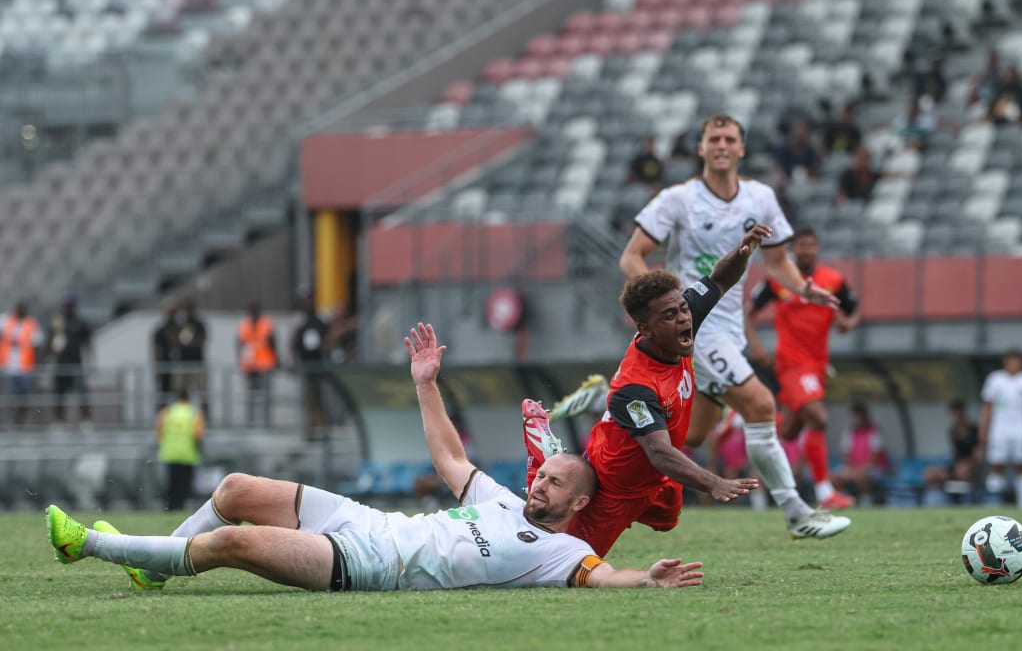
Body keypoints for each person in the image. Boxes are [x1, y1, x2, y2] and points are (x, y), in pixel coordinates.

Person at [46, 323, 706, 593]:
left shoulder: (561, 554)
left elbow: (604, 577)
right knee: (237, 489)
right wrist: (425, 383)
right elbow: (450, 456)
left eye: (554, 482)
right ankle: (153, 568)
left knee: (237, 542)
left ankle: (94, 549)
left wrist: (644, 579)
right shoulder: (504, 500)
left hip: (371, 564)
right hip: (366, 520)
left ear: (578, 505)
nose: (540, 483)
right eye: (543, 473)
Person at [529, 224, 847, 556]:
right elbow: (660, 452)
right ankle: (543, 455)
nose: (684, 319)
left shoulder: (681, 316)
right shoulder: (636, 388)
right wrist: (714, 482)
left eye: (683, 309)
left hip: (656, 477)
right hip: (616, 484)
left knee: (668, 519)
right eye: (671, 315)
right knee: (569, 558)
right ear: (645, 329)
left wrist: (743, 251)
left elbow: (719, 279)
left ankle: (599, 405)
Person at [618, 112, 849, 540]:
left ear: (742, 148)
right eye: (713, 138)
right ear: (701, 149)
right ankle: (798, 512)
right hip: (693, 327)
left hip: (729, 330)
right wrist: (661, 308)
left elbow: (777, 261)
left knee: (693, 435)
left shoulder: (760, 197)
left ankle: (611, 418)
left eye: (729, 139)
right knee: (762, 405)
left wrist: (806, 290)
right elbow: (632, 256)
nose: (721, 145)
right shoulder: (678, 199)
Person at [744, 226, 861, 510]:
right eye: (802, 245)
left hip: (818, 364)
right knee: (818, 419)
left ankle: (759, 432)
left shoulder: (833, 279)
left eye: (812, 245)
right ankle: (825, 494)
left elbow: (853, 308)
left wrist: (848, 322)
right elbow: (748, 312)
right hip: (791, 364)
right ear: (793, 250)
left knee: (790, 432)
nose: (807, 250)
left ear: (817, 248)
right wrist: (755, 345)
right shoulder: (779, 279)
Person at [978, 349, 1022, 507]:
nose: (1015, 364)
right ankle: (993, 504)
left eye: (1018, 360)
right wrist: (983, 430)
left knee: (1021, 465)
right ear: (1005, 362)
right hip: (999, 428)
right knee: (996, 464)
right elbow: (987, 407)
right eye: (1012, 360)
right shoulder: (995, 379)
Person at [155, 388, 206, 511]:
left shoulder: (167, 412)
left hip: (170, 454)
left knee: (172, 482)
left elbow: (159, 432)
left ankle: (170, 506)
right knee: (185, 483)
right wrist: (201, 450)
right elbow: (198, 435)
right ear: (189, 399)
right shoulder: (194, 413)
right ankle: (181, 506)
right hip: (188, 455)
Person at [831, 402, 890, 506]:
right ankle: (841, 499)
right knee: (834, 476)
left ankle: (865, 501)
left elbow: (874, 457)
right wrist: (850, 470)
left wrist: (857, 471)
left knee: (863, 476)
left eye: (860, 415)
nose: (858, 418)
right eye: (856, 415)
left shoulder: (874, 431)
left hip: (873, 468)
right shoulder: (849, 432)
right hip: (853, 467)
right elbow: (846, 455)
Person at [923, 399, 980, 502]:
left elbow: (977, 456)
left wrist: (967, 464)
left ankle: (966, 499)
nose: (956, 417)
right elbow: (955, 454)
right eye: (954, 414)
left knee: (962, 471)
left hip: (970, 467)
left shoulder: (974, 430)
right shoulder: (952, 431)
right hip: (956, 466)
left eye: (958, 414)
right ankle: (935, 502)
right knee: (930, 473)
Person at [47, 295, 93, 423]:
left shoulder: (79, 322)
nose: (69, 308)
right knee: (59, 395)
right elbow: (49, 345)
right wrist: (54, 346)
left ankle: (86, 420)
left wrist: (90, 361)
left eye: (71, 305)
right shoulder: (58, 322)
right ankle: (59, 420)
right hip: (60, 365)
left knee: (82, 393)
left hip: (76, 364)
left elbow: (88, 342)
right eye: (67, 305)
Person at [290, 295, 330, 429]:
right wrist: (294, 361)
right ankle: (313, 422)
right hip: (307, 365)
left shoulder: (320, 323)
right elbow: (294, 344)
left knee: (320, 396)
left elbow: (328, 341)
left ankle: (321, 422)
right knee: (309, 397)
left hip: (319, 366)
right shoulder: (302, 325)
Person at [0, 301, 43, 425]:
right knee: (10, 398)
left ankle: (19, 421)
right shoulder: (7, 321)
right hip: (9, 368)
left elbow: (38, 345)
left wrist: (38, 365)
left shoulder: (31, 324)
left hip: (25, 368)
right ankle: (10, 423)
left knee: (24, 398)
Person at [238, 301, 278, 426]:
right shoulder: (244, 325)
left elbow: (273, 343)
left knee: (265, 397)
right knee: (250, 397)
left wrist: (276, 360)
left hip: (264, 365)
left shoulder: (266, 324)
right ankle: (250, 423)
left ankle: (266, 423)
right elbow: (240, 344)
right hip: (249, 367)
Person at [172, 299, 208, 419]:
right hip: (183, 363)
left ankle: (205, 417)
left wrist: (189, 343)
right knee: (180, 391)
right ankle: (180, 416)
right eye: (186, 309)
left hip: (197, 363)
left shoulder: (199, 324)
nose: (187, 312)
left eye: (189, 309)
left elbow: (202, 341)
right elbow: (175, 342)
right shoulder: (180, 325)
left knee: (202, 391)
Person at [151, 306, 180, 409]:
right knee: (163, 394)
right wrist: (156, 366)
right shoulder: (161, 330)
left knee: (179, 393)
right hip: (165, 366)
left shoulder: (180, 328)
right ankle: (162, 414)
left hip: (178, 367)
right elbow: (155, 349)